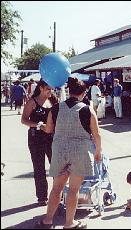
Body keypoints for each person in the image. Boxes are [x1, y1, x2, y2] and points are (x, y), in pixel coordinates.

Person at [35, 77, 102, 229]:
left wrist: (39, 125)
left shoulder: (56, 108)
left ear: (70, 91)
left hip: (59, 150)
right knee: (73, 189)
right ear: (84, 93)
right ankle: (69, 223)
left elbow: (49, 129)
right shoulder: (87, 109)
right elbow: (96, 134)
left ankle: (47, 220)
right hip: (80, 151)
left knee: (57, 188)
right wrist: (98, 151)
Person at [21, 79, 58, 206]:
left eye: (52, 89)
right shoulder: (32, 102)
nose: (50, 91)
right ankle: (42, 196)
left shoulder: (53, 100)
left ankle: (57, 193)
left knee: (56, 167)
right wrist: (38, 125)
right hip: (36, 138)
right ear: (41, 88)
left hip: (51, 138)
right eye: (48, 88)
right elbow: (24, 120)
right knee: (39, 168)